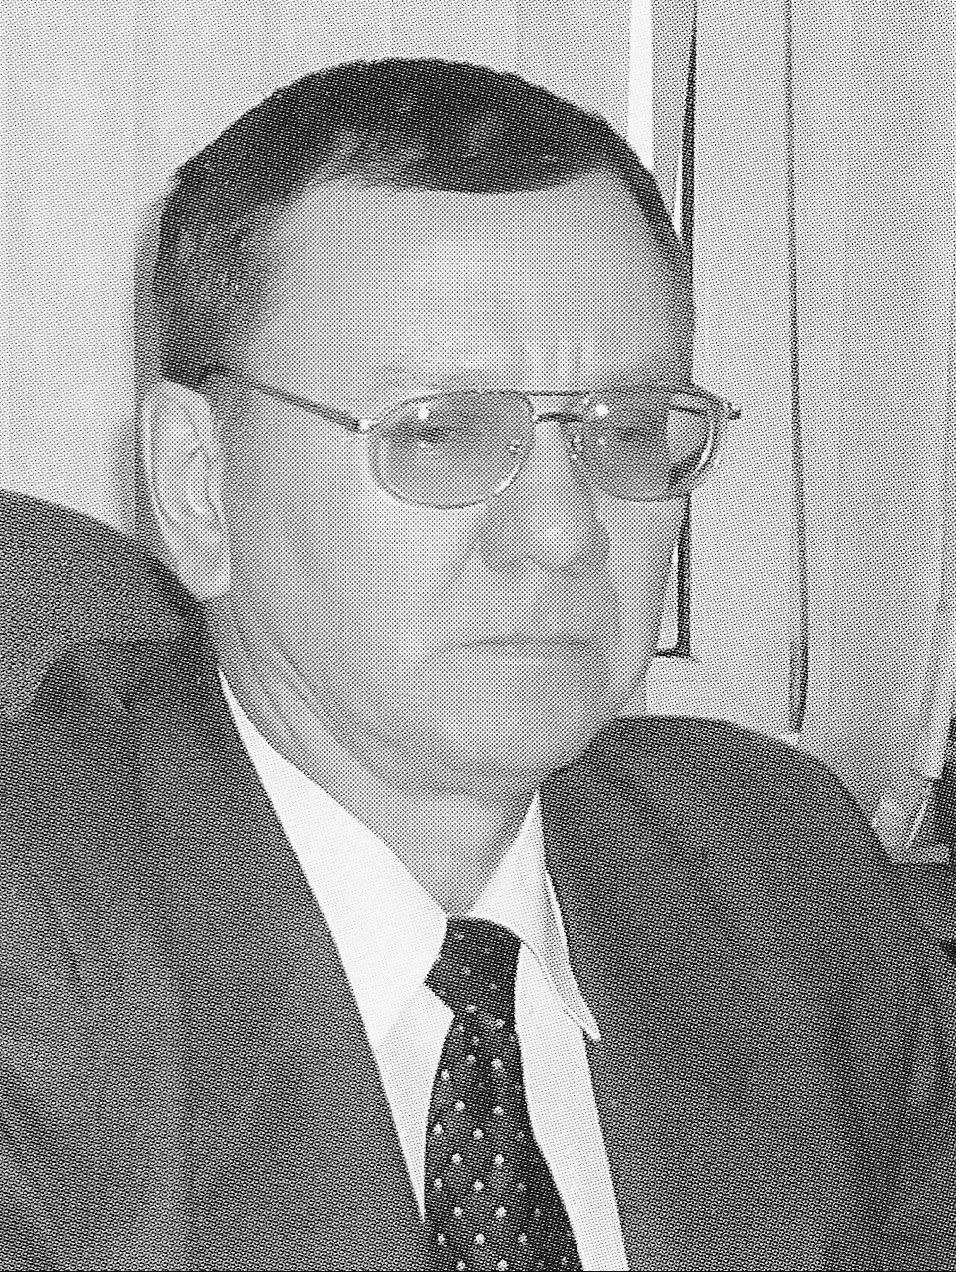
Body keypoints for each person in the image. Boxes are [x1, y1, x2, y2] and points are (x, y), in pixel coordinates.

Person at [0, 57, 953, 1272]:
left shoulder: (775, 871)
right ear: (197, 488)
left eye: (624, 431)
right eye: (438, 433)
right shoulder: (37, 963)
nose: (559, 532)